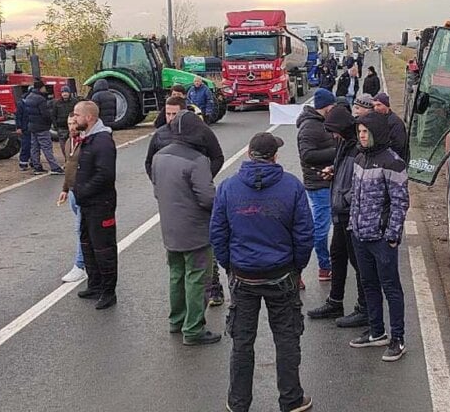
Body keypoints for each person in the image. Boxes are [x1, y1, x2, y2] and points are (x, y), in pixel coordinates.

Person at [210, 132, 314, 412]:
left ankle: (239, 401)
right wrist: (297, 267)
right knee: (287, 337)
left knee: (242, 342)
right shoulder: (291, 186)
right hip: (281, 273)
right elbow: (304, 233)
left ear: (248, 154)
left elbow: (218, 234)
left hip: (243, 275)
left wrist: (229, 266)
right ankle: (291, 398)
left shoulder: (228, 187)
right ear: (274, 156)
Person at [145, 96, 227, 305]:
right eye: (168, 113)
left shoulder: (201, 133)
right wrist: (163, 186)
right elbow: (150, 164)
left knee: (191, 267)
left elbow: (217, 156)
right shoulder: (160, 136)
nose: (170, 118)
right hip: (182, 209)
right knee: (192, 270)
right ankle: (192, 326)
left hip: (186, 203)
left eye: (174, 114)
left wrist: (202, 179)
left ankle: (210, 292)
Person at [150, 110, 221, 345]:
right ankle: (193, 328)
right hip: (195, 229)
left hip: (170, 226)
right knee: (198, 277)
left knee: (176, 274)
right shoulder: (197, 160)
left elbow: (157, 189)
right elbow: (208, 199)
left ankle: (177, 320)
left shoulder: (159, 156)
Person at [347, 111, 410, 362]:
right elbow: (355, 195)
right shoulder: (360, 159)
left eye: (366, 132)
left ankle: (398, 338)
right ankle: (376, 332)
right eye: (359, 132)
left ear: (376, 133)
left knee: (391, 288)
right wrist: (353, 225)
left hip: (382, 239)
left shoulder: (392, 162)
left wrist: (392, 236)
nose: (362, 136)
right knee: (368, 284)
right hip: (360, 235)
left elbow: (400, 202)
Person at [307, 105, 369, 328]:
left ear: (341, 128)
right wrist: (333, 172)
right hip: (341, 211)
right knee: (337, 254)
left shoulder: (358, 149)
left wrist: (345, 198)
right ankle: (335, 301)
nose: (332, 135)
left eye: (333, 130)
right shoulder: (344, 143)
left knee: (359, 262)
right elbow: (344, 170)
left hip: (350, 212)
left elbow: (361, 182)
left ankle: (365, 309)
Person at [71, 101, 119, 310]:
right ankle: (95, 284)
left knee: (104, 249)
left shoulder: (102, 142)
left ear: (89, 117)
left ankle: (109, 292)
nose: (73, 119)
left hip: (101, 204)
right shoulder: (87, 139)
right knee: (88, 245)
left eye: (77, 115)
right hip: (87, 204)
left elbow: (105, 175)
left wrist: (83, 190)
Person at [296, 88, 337, 282]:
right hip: (318, 183)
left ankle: (322, 266)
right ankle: (317, 267)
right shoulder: (310, 127)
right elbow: (307, 155)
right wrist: (336, 152)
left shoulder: (320, 123)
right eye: (333, 106)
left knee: (322, 227)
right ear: (327, 107)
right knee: (319, 231)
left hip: (324, 181)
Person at [57, 114, 87, 283]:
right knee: (84, 229)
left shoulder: (85, 142)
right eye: (69, 124)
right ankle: (89, 262)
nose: (71, 127)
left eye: (74, 123)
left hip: (83, 192)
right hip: (73, 191)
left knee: (80, 229)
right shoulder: (69, 142)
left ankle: (80, 265)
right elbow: (69, 167)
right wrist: (65, 188)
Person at [25, 80, 64, 175]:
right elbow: (45, 114)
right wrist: (50, 121)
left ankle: (37, 167)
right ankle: (54, 167)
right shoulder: (41, 99)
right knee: (47, 147)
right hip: (42, 127)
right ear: (41, 88)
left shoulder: (28, 97)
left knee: (34, 147)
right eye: (44, 87)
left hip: (32, 126)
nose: (45, 89)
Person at [373, 93, 409, 162]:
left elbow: (398, 145)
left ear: (387, 106)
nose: (376, 108)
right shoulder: (378, 120)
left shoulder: (395, 123)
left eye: (379, 105)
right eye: (374, 106)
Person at [50, 85, 79, 160]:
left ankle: (73, 160)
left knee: (73, 145)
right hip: (61, 128)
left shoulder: (75, 102)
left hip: (72, 128)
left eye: (66, 92)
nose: (64, 94)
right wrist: (56, 126)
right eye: (63, 92)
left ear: (69, 93)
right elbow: (53, 115)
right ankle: (67, 160)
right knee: (63, 147)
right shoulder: (57, 103)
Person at [16, 87, 32, 171]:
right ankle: (23, 162)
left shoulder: (34, 102)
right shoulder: (22, 103)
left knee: (34, 146)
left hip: (33, 127)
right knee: (26, 145)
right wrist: (19, 127)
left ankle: (34, 161)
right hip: (25, 127)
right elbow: (18, 116)